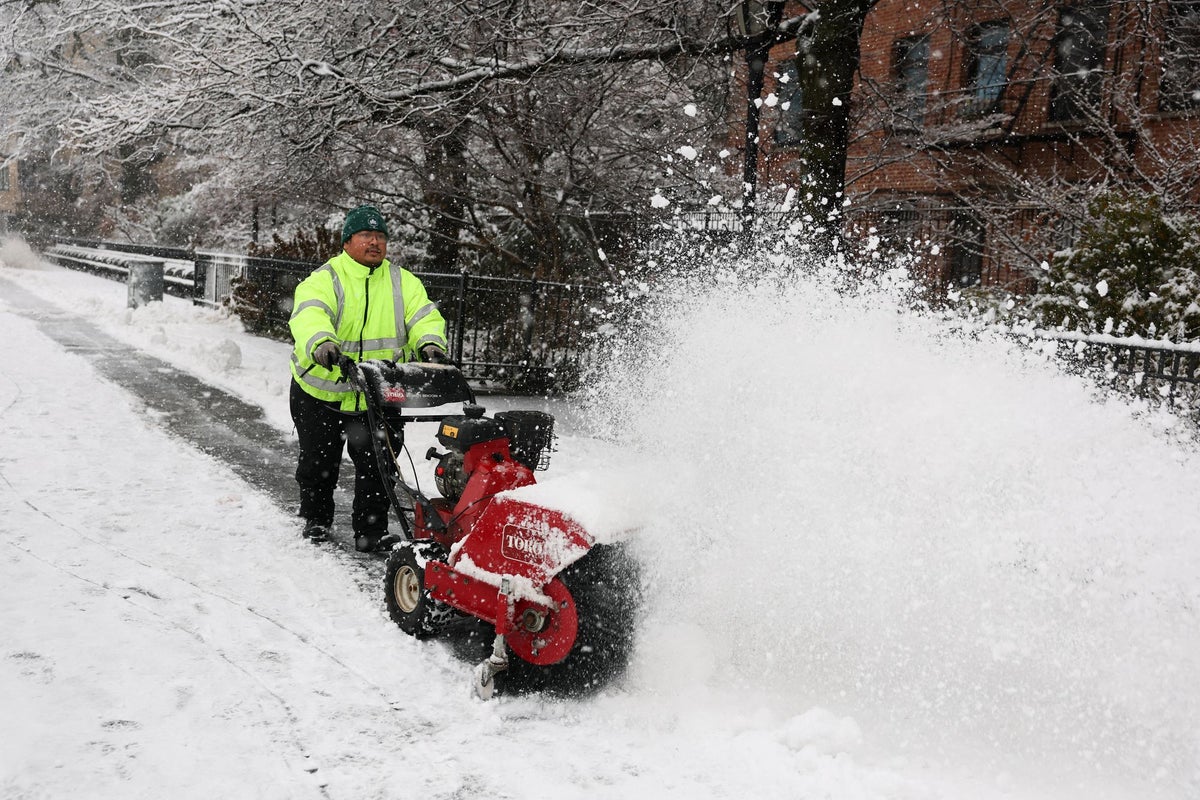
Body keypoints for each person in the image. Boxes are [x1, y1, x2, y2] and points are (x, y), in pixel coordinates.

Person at [288, 204, 450, 552]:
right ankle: (316, 519)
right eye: (365, 235)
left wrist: (430, 343)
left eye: (380, 236)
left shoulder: (402, 282)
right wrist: (322, 342)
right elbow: (310, 314)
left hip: (378, 392)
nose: (374, 242)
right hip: (323, 393)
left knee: (379, 466)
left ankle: (371, 532)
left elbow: (423, 316)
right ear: (347, 242)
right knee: (319, 463)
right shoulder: (326, 279)